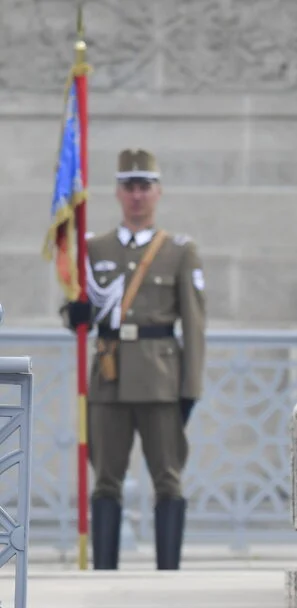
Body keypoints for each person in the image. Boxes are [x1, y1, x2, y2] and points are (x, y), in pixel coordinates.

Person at [60, 149, 207, 572]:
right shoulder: (93, 246)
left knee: (168, 478)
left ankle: (168, 575)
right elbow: (74, 302)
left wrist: (190, 389)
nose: (137, 195)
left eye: (144, 186)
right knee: (106, 479)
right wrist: (74, 315)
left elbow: (194, 325)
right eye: (129, 186)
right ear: (118, 192)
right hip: (108, 377)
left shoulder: (180, 251)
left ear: (158, 192)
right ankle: (104, 572)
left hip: (161, 379)